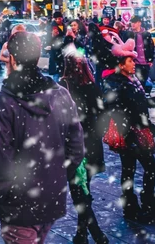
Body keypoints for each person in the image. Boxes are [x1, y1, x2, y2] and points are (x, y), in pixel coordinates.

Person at [0, 32, 86, 244]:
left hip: (18, 203)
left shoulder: (3, 102)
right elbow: (76, 148)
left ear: (12, 58)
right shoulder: (60, 95)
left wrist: (7, 191)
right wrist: (55, 176)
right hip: (51, 196)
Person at [103, 36, 155, 223]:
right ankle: (140, 204)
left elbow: (136, 102)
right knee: (146, 167)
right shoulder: (116, 83)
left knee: (131, 169)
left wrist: (148, 103)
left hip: (138, 129)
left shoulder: (131, 79)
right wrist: (131, 129)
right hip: (130, 132)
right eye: (130, 61)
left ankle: (135, 206)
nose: (134, 63)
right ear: (121, 64)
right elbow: (117, 109)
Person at [60, 45, 109, 244]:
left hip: (75, 146)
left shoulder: (63, 87)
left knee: (80, 192)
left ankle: (94, 234)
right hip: (91, 144)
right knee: (83, 189)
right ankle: (82, 234)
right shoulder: (92, 86)